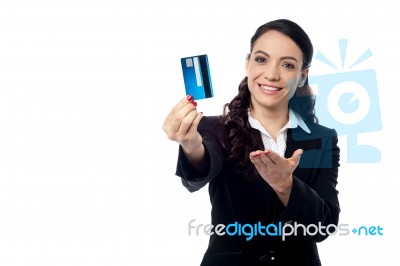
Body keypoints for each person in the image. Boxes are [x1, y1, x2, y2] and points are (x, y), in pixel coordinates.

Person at [162, 19, 340, 266]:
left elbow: (324, 226)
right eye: (261, 59)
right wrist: (191, 145)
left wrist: (285, 185)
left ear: (302, 76)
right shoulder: (213, 128)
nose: (271, 74)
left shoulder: (321, 137)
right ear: (247, 63)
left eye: (287, 65)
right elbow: (201, 167)